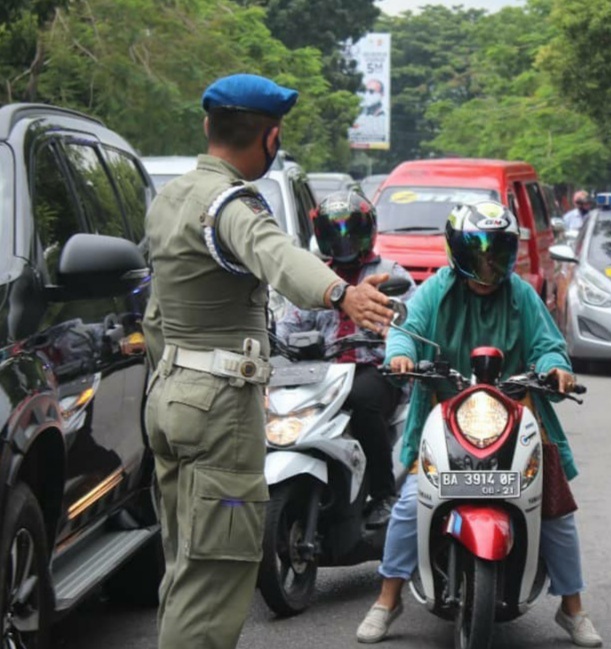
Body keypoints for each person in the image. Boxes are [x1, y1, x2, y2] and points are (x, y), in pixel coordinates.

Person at [143, 73, 394, 649]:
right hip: (216, 410)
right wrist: (343, 293)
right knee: (216, 572)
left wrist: (171, 379)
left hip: (169, 397)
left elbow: (156, 315)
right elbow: (275, 252)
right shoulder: (228, 203)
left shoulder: (170, 199)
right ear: (272, 138)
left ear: (209, 127)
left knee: (185, 563)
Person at [355, 200, 603, 647]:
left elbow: (549, 345)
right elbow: (406, 330)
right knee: (413, 500)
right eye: (479, 253)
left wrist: (555, 368)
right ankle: (387, 600)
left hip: (514, 409)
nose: (490, 265)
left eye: (499, 253)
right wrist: (401, 354)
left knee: (555, 508)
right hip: (446, 412)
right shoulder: (436, 289)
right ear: (458, 253)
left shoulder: (521, 293)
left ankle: (572, 608)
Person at [276, 190, 416, 528]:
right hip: (323, 373)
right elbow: (288, 325)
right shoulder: (316, 277)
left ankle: (384, 494)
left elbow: (411, 322)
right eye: (334, 232)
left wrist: (393, 336)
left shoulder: (390, 273)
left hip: (377, 370)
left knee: (362, 399)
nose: (344, 240)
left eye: (350, 230)